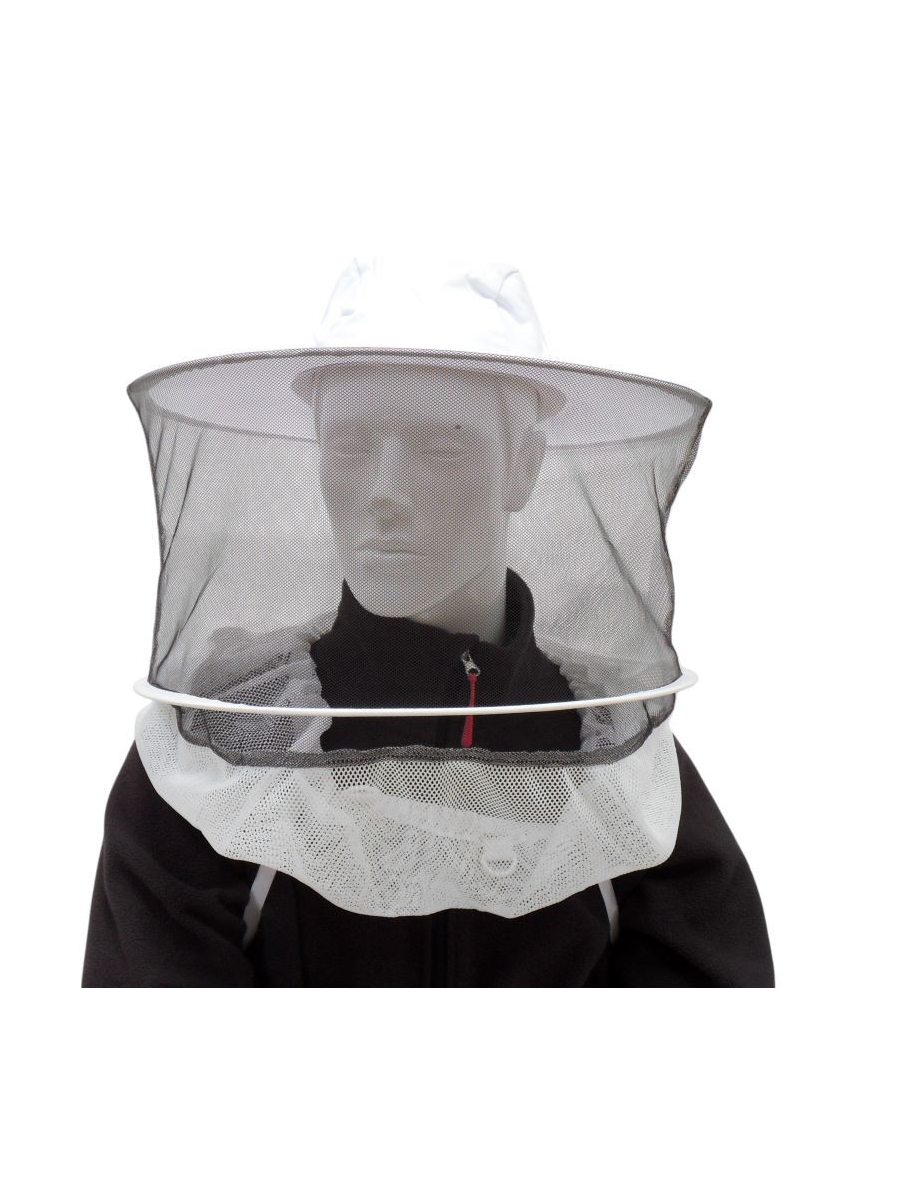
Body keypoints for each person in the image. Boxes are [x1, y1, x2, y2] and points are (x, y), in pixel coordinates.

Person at [81, 256, 775, 987]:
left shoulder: (623, 772)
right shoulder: (215, 757)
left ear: (522, 465)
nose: (384, 490)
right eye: (351, 445)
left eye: (440, 445)